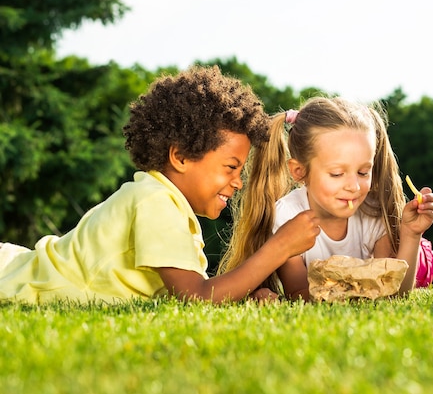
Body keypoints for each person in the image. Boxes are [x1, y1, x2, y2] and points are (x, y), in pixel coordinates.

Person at [0, 65, 320, 304]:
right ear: (180, 157)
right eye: (230, 168)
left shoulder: (165, 203)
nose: (237, 182)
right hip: (14, 281)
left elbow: (191, 290)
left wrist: (245, 295)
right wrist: (279, 249)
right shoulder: (154, 201)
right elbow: (195, 297)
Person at [220, 96, 433, 301]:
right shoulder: (288, 217)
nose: (353, 186)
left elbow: (395, 293)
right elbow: (299, 293)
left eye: (363, 171)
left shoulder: (373, 212)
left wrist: (411, 235)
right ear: (300, 172)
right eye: (337, 174)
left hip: (407, 257)